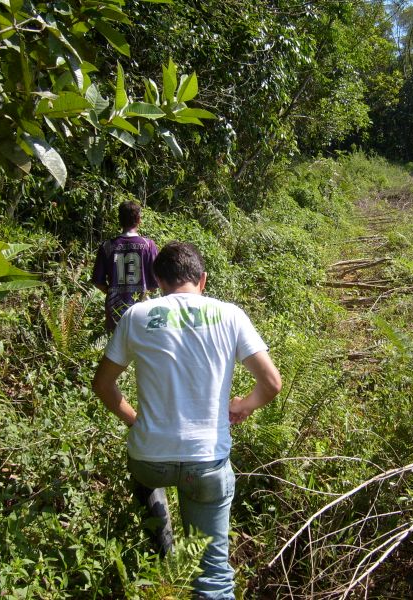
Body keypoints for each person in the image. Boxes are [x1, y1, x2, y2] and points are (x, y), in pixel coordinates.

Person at [92, 241, 282, 600]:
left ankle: (161, 546)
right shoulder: (230, 315)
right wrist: (244, 405)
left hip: (150, 461)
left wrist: (135, 421)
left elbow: (102, 385)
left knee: (147, 468)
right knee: (213, 578)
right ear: (203, 279)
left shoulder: (136, 315)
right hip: (206, 463)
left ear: (157, 281)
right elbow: (271, 383)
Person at [92, 201, 159, 332]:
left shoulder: (107, 246)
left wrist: (113, 291)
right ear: (139, 219)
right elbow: (156, 282)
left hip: (114, 309)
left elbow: (98, 282)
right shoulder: (149, 245)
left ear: (119, 220)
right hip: (142, 308)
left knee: (117, 342)